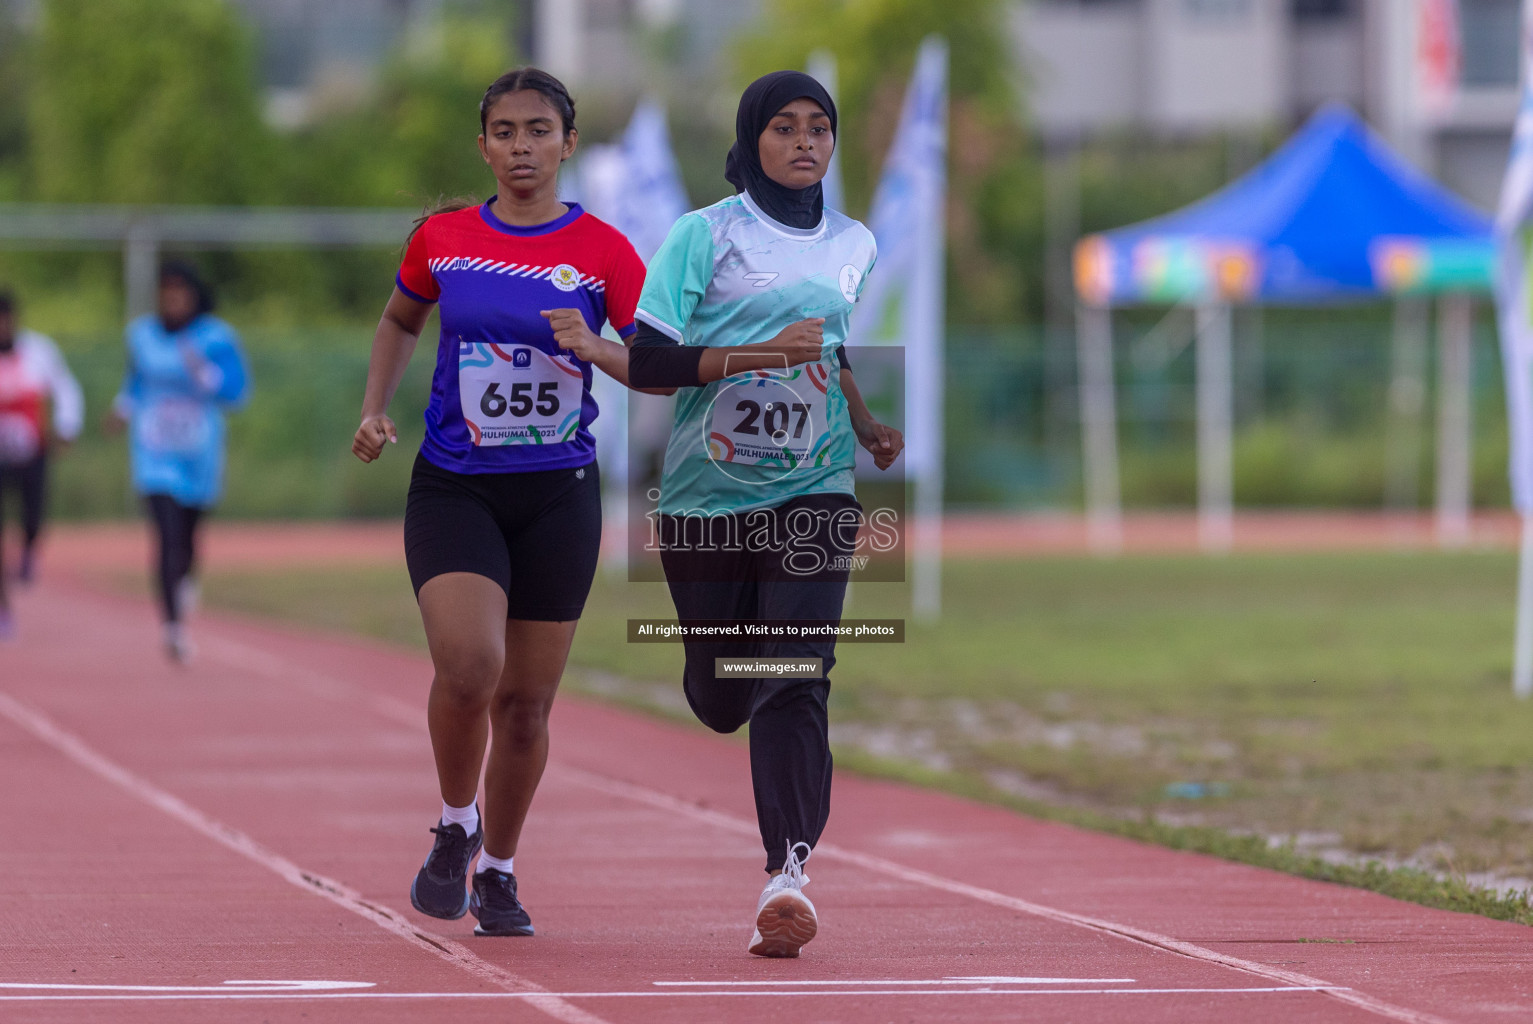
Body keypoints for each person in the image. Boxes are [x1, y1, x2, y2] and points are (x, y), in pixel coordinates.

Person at [351, 67, 652, 937]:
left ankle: (502, 873)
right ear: (482, 144)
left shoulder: (604, 251)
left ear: (568, 143)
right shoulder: (444, 239)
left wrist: (594, 347)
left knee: (525, 706)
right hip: (455, 485)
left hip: (558, 493)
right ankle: (455, 824)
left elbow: (653, 369)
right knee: (470, 668)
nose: (522, 147)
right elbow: (401, 320)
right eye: (506, 131)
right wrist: (375, 407)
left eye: (539, 131)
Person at [627, 70, 904, 957]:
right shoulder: (701, 237)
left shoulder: (854, 240)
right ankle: (715, 672)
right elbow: (646, 362)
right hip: (707, 503)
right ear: (752, 141)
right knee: (720, 697)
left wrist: (860, 417)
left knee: (796, 668)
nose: (803, 142)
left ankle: (787, 872)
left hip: (816, 489)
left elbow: (829, 343)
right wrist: (749, 355)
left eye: (818, 127)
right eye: (783, 128)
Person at [107, 261, 250, 663]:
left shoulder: (217, 338)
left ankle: (185, 582)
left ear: (193, 295)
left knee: (187, 537)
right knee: (166, 536)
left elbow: (238, 393)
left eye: (179, 291)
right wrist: (122, 409)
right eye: (164, 292)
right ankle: (172, 626)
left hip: (199, 455)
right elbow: (136, 382)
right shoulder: (141, 336)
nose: (171, 299)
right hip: (154, 453)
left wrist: (205, 375)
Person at [0, 288, 83, 638]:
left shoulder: (39, 350)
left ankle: (30, 550)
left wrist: (66, 428)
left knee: (33, 517)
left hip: (32, 451)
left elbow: (65, 389)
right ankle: (3, 609)